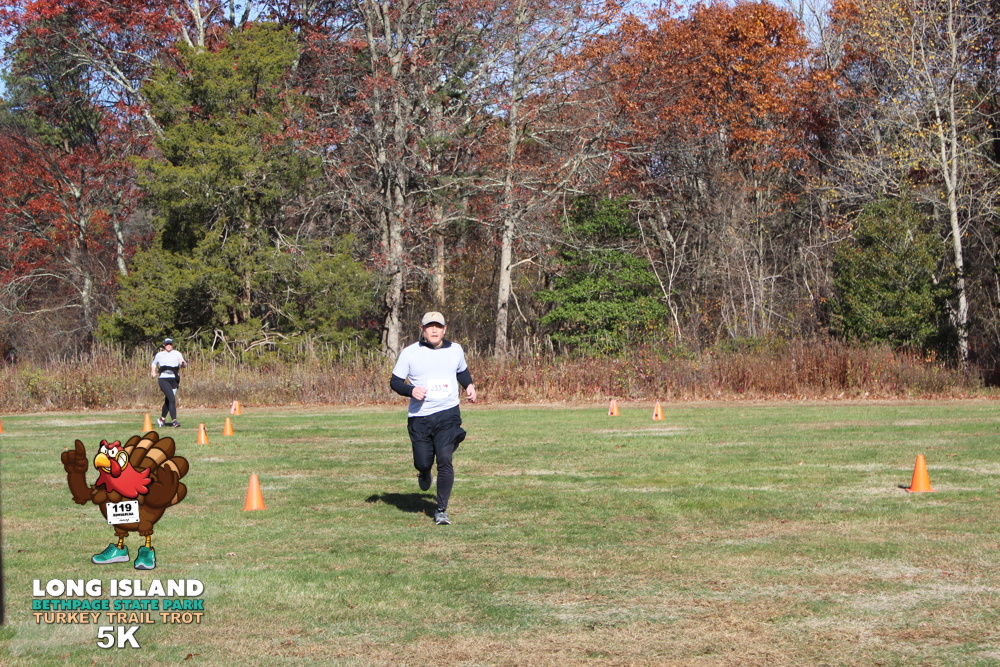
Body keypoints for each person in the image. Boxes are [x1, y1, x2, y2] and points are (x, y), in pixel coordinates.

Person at [390, 312, 477, 525]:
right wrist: (411, 390)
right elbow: (395, 381)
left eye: (438, 326)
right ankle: (424, 471)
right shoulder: (410, 353)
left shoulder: (455, 350)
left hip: (448, 414)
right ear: (422, 330)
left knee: (445, 459)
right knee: (423, 461)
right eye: (430, 327)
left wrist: (469, 385)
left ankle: (441, 510)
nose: (434, 330)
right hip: (420, 417)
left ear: (445, 329)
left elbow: (461, 371)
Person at [151, 338, 187, 428]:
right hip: (164, 379)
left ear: (172, 345)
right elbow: (154, 363)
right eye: (167, 344)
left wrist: (183, 363)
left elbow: (183, 363)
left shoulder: (177, 353)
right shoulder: (159, 354)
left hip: (174, 379)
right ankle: (174, 421)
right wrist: (153, 372)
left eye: (170, 344)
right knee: (172, 399)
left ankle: (162, 419)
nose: (168, 346)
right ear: (164, 345)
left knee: (169, 400)